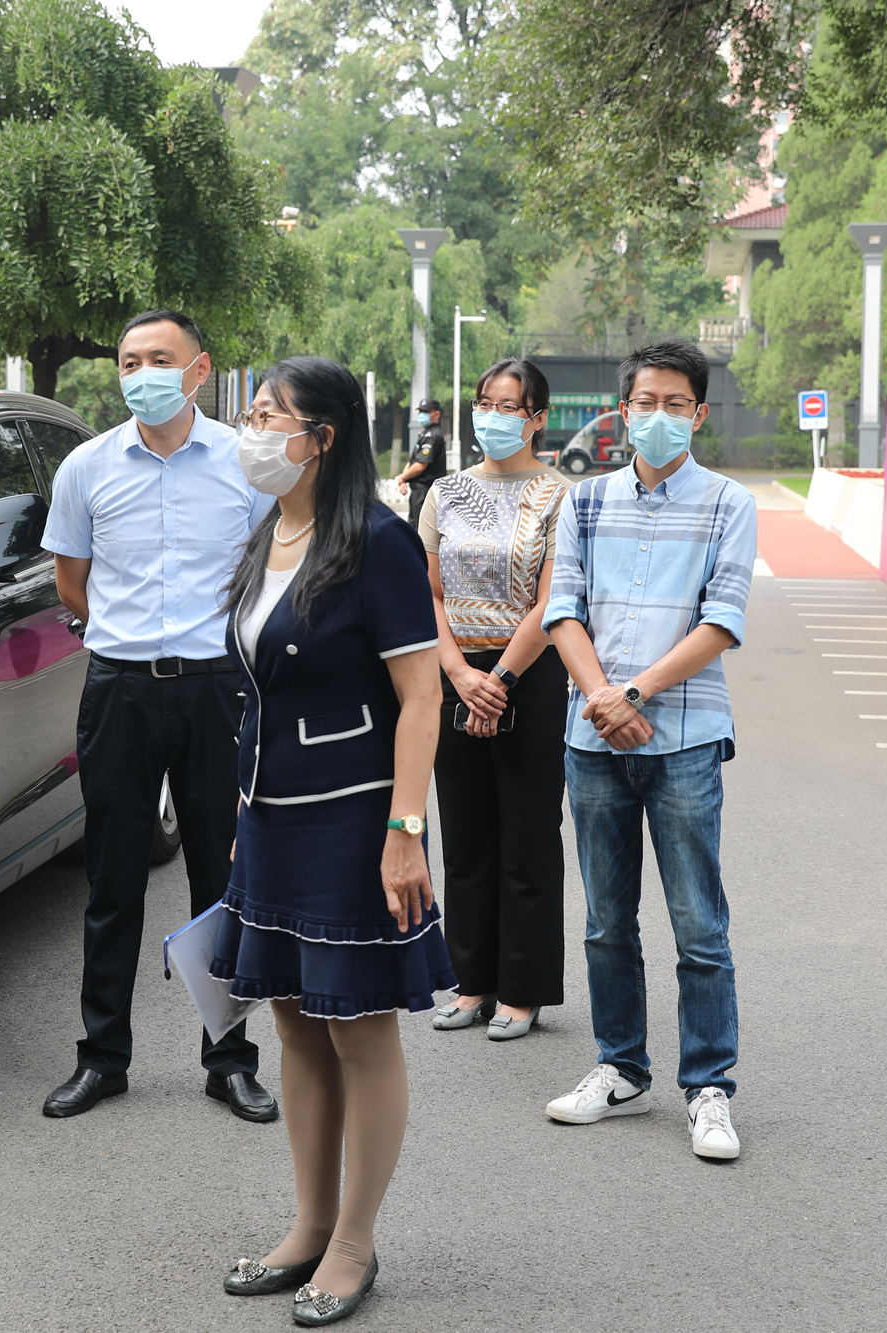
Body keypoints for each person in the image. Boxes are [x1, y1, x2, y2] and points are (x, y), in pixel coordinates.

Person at [211, 357, 449, 1326]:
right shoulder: (267, 532)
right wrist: (237, 817)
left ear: (324, 437)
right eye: (251, 413)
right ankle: (307, 1224)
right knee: (292, 1024)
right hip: (271, 816)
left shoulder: (377, 544)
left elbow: (419, 696)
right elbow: (257, 694)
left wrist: (403, 832)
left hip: (354, 819)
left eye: (271, 416)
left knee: (357, 1028)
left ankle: (353, 1241)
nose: (252, 430)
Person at [39, 309, 279, 1124]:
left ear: (198, 368)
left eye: (159, 358)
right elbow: (71, 583)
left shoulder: (244, 466)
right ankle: (103, 1057)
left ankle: (230, 1059)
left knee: (222, 879)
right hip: (120, 688)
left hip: (216, 689)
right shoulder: (86, 467)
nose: (142, 372)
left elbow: (265, 577)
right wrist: (120, 634)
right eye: (129, 360)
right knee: (111, 880)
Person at [538, 337, 756, 1161]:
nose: (657, 417)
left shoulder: (728, 503)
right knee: (604, 921)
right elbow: (564, 608)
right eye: (644, 402)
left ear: (698, 413)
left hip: (685, 739)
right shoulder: (586, 502)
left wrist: (635, 693)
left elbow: (721, 621)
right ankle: (621, 1068)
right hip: (591, 738)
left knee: (699, 923)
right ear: (621, 409)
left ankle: (708, 1087)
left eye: (675, 404)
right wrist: (601, 694)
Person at [420, 358, 568, 1041]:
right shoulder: (444, 493)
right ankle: (471, 980)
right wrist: (458, 671)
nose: (495, 416)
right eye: (486, 402)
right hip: (457, 674)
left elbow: (551, 601)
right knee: (468, 833)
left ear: (537, 418)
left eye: (511, 405)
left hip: (528, 677)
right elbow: (429, 592)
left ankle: (522, 988)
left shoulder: (561, 495)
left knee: (528, 836)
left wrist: (499, 681)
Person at [393, 397, 448, 527]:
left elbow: (420, 466)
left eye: (426, 412)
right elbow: (413, 461)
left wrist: (402, 478)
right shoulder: (425, 434)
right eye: (421, 411)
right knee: (414, 526)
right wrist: (404, 478)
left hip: (426, 491)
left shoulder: (433, 436)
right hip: (418, 491)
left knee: (422, 530)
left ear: (437, 414)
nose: (422, 415)